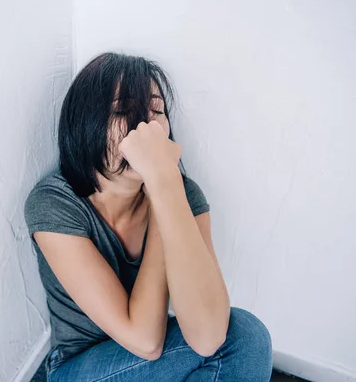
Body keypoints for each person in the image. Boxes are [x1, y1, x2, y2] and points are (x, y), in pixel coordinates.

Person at [24, 53, 272, 381]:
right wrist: (161, 186)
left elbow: (208, 336)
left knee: (246, 337)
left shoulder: (180, 192)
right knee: (242, 340)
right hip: (80, 367)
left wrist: (164, 189)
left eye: (156, 111)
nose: (145, 128)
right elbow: (146, 342)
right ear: (87, 123)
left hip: (152, 365)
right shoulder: (54, 202)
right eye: (123, 111)